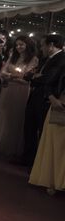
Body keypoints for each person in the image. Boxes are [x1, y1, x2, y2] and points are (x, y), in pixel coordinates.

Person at [0, 36, 38, 158]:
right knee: (3, 114)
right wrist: (13, 76)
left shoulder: (33, 59)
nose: (18, 47)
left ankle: (12, 146)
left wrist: (13, 76)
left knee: (15, 116)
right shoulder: (13, 57)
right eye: (17, 45)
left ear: (28, 44)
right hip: (8, 89)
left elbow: (27, 78)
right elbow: (2, 72)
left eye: (21, 44)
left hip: (21, 91)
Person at [21, 34, 65, 166]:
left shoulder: (61, 59)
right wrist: (35, 76)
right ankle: (27, 159)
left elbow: (48, 79)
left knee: (40, 131)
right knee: (29, 128)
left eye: (42, 45)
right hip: (36, 96)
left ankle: (36, 163)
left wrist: (34, 77)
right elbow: (32, 74)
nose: (41, 48)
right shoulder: (46, 58)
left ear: (50, 45)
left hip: (45, 99)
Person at [29, 74, 65, 194]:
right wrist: (53, 99)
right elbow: (49, 84)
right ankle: (53, 181)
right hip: (60, 109)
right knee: (56, 147)